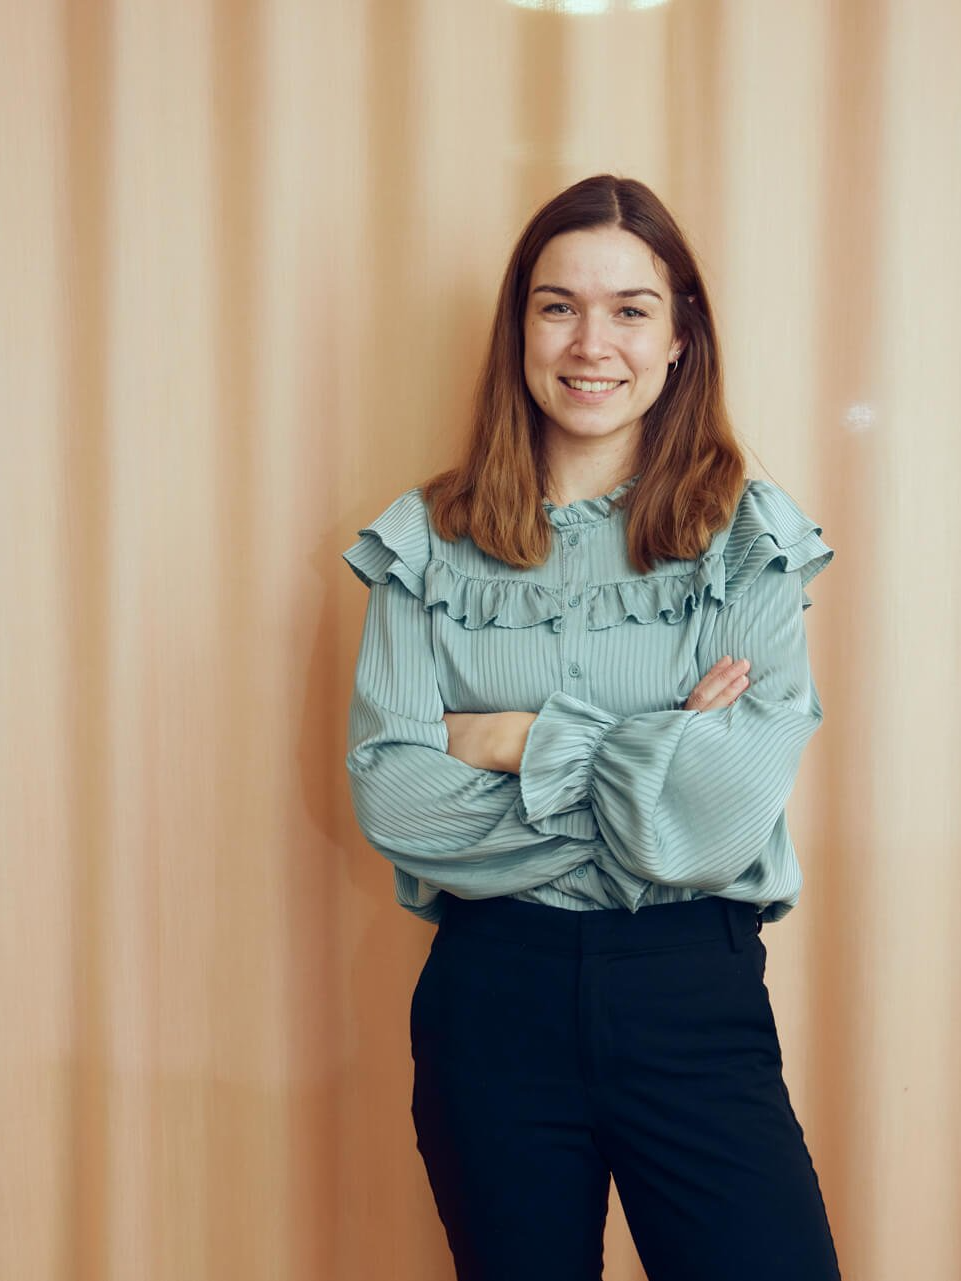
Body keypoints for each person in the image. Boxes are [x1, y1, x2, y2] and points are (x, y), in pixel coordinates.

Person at [341, 174, 842, 1281]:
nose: (590, 343)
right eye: (558, 305)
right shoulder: (426, 541)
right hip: (492, 1003)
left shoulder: (748, 541)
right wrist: (651, 755)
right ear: (518, 329)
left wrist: (512, 737)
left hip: (690, 998)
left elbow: (714, 826)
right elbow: (393, 798)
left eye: (630, 309)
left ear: (677, 340)